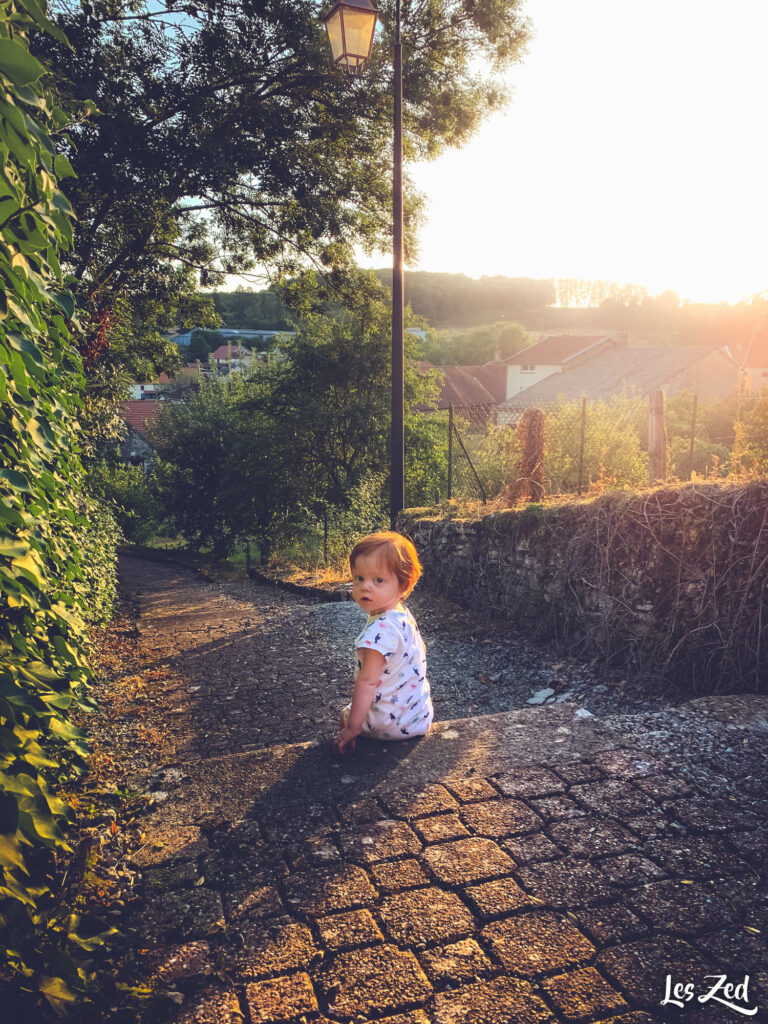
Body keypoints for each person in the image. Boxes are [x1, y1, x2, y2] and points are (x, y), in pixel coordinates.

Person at [333, 531, 433, 754]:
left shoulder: (378, 634)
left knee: (344, 714)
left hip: (388, 726)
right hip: (418, 718)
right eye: (359, 578)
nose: (365, 587)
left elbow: (367, 683)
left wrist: (351, 728)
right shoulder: (403, 615)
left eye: (378, 580)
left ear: (404, 586)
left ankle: (350, 748)